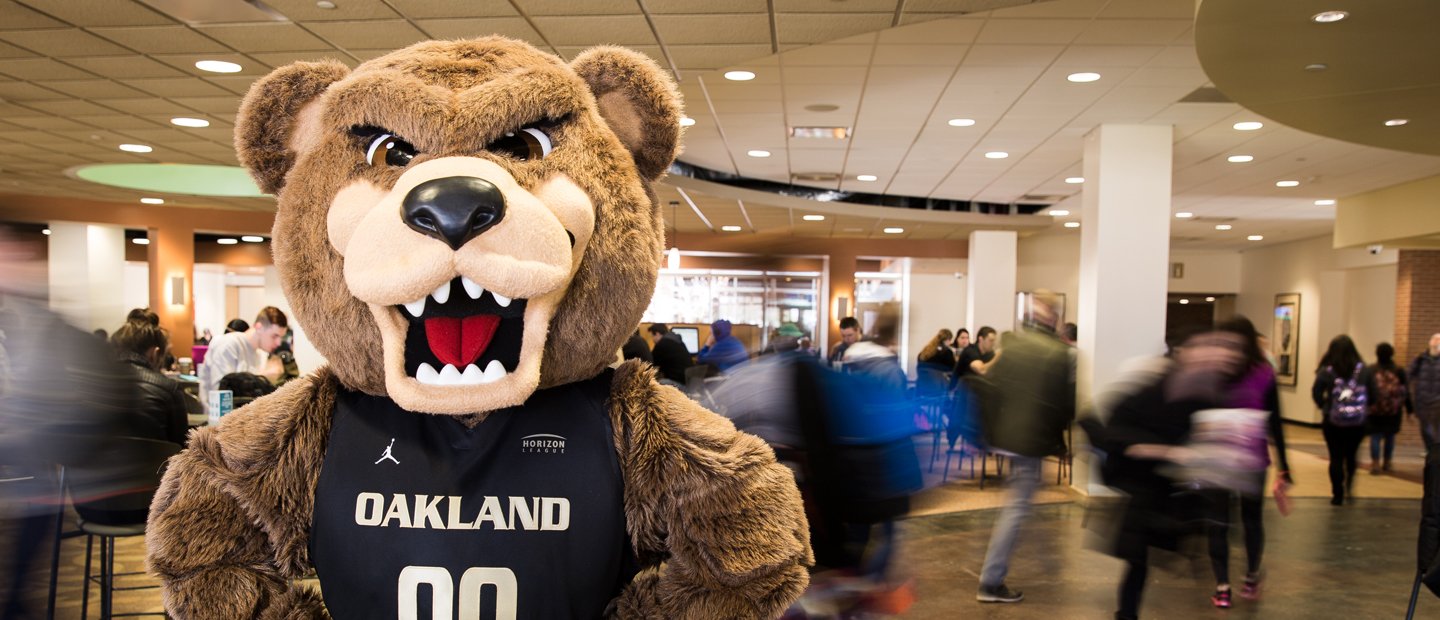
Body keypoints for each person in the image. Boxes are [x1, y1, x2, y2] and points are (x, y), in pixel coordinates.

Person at [1083, 328, 1249, 620]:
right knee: (1138, 561)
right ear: (1185, 353)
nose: (1221, 357)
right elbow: (1118, 436)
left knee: (1154, 558)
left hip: (1169, 491)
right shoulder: (1155, 388)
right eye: (1211, 349)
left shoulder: (1209, 394)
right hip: (1142, 487)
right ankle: (1127, 614)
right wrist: (1167, 452)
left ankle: (1130, 612)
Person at [974, 293, 1074, 604]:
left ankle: (999, 574)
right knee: (1017, 508)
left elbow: (993, 383)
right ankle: (991, 581)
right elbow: (1063, 405)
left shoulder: (1013, 344)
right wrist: (1061, 443)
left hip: (1008, 435)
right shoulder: (1059, 353)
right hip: (1032, 439)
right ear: (1054, 318)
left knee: (1018, 505)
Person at [1204, 317, 1292, 608]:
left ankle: (1222, 587)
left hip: (1218, 458)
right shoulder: (1264, 372)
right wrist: (1284, 466)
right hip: (1253, 459)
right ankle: (1252, 577)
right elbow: (1275, 423)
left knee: (1218, 523)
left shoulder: (1212, 371)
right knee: (1252, 519)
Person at [110, 319, 189, 447]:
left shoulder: (90, 384)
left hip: (95, 466)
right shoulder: (168, 388)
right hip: (157, 466)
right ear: (155, 353)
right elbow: (182, 445)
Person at [1313, 335, 1368, 505]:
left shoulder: (1326, 371)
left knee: (1335, 456)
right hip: (1357, 422)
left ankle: (1337, 494)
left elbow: (1316, 392)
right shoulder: (1363, 369)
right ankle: (1349, 485)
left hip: (1332, 421)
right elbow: (1372, 392)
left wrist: (1325, 406)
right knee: (1351, 456)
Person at [199, 307, 287, 408]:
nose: (278, 343)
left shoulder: (261, 354)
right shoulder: (227, 344)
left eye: (281, 337)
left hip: (244, 415)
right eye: (275, 336)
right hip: (215, 415)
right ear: (259, 327)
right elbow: (222, 394)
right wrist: (262, 377)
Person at [1364, 342, 1410, 474]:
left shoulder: (1371, 370)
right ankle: (1388, 462)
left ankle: (1375, 463)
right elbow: (1405, 391)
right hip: (1393, 410)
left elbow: (1365, 390)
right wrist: (1409, 409)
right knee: (1390, 436)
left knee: (1375, 437)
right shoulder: (1399, 370)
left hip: (1374, 409)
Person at [1410, 333, 1440, 447]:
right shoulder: (1420, 359)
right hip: (1422, 400)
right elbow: (1409, 374)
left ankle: (1435, 451)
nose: (1437, 343)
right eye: (1435, 340)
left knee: (1437, 428)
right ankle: (1430, 449)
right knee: (1425, 427)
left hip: (1438, 401)